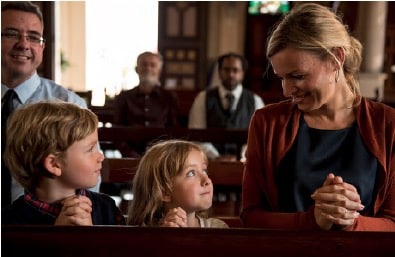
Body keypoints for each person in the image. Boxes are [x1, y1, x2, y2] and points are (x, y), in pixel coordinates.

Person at [241, 3, 395, 231]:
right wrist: (311, 221)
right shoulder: (267, 122)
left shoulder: (387, 124)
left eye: (298, 76)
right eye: (281, 78)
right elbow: (251, 216)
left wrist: (351, 222)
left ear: (336, 59)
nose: (287, 90)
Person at [1, 1, 100, 208]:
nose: (24, 44)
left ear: (42, 46)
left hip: (50, 223)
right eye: (11, 34)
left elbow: (88, 180)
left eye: (34, 37)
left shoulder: (70, 104)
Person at [1, 101, 125, 225]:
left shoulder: (107, 209)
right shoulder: (7, 222)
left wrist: (90, 238)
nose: (101, 157)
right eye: (90, 149)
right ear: (53, 164)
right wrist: (58, 237)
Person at [127, 139, 229, 228]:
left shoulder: (218, 228)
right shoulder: (150, 235)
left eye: (204, 170)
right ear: (164, 192)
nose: (206, 180)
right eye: (191, 173)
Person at [188, 52, 264, 161]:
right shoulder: (202, 98)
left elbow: (258, 138)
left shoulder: (255, 101)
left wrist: (240, 157)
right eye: (226, 70)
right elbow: (196, 135)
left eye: (235, 70)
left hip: (244, 163)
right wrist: (216, 157)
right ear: (219, 71)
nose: (231, 74)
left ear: (242, 73)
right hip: (209, 162)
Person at [114, 51, 179, 158]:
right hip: (130, 157)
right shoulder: (124, 97)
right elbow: (117, 131)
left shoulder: (169, 97)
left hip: (161, 156)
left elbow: (174, 129)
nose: (148, 68)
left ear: (159, 70)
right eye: (144, 64)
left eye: (153, 65)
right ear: (136, 69)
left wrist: (162, 154)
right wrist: (132, 155)